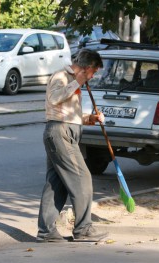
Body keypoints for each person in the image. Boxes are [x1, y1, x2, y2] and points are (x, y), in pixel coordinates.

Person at [36, 49, 109, 243]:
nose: (93, 77)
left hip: (63, 132)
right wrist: (78, 81)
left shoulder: (73, 80)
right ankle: (83, 229)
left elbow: (68, 114)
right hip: (60, 134)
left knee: (56, 184)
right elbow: (54, 98)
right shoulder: (61, 76)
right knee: (82, 178)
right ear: (86, 69)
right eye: (93, 72)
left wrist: (90, 118)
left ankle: (46, 232)